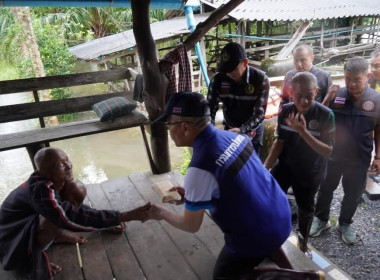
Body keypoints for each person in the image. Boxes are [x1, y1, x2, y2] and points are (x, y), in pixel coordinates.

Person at [148, 91, 292, 280]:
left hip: (258, 236)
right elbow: (237, 182)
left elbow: (191, 225)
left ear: (184, 127)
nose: (168, 130)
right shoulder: (234, 136)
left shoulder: (199, 167)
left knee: (223, 276)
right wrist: (193, 194)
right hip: (283, 216)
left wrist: (161, 213)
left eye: (169, 124)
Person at [0, 147, 151, 279]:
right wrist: (124, 216)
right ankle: (30, 259)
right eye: (60, 164)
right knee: (53, 219)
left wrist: (107, 222)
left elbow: (74, 210)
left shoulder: (54, 181)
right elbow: (67, 216)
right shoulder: (40, 190)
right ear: (45, 172)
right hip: (12, 239)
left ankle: (56, 236)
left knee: (75, 188)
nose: (69, 165)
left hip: (30, 223)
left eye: (67, 159)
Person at [263, 72, 335, 257]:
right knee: (270, 198)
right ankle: (271, 236)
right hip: (285, 166)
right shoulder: (285, 110)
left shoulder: (326, 115)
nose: (303, 101)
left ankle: (303, 245)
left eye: (309, 96)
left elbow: (327, 151)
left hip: (311, 171)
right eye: (299, 96)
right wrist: (266, 166)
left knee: (306, 209)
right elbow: (280, 142)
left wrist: (303, 131)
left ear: (317, 92)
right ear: (290, 92)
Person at [310, 57, 380, 245]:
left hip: (360, 158)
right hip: (334, 155)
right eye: (348, 78)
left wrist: (378, 156)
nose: (352, 84)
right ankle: (322, 219)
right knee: (326, 188)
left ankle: (345, 223)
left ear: (368, 76)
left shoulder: (376, 99)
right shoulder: (337, 95)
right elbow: (319, 118)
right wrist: (327, 98)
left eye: (357, 79)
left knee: (353, 193)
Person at [207, 42, 270, 156]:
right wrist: (210, 132)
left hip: (253, 130)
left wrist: (243, 130)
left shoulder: (260, 80)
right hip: (230, 127)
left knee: (251, 165)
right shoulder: (218, 79)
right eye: (226, 69)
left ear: (245, 63)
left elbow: (259, 114)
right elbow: (210, 108)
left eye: (233, 69)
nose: (228, 74)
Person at [280, 44, 332, 110]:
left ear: (312, 58)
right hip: (292, 117)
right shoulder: (289, 76)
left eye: (303, 60)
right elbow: (284, 99)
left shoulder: (323, 76)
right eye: (296, 60)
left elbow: (329, 101)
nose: (299, 64)